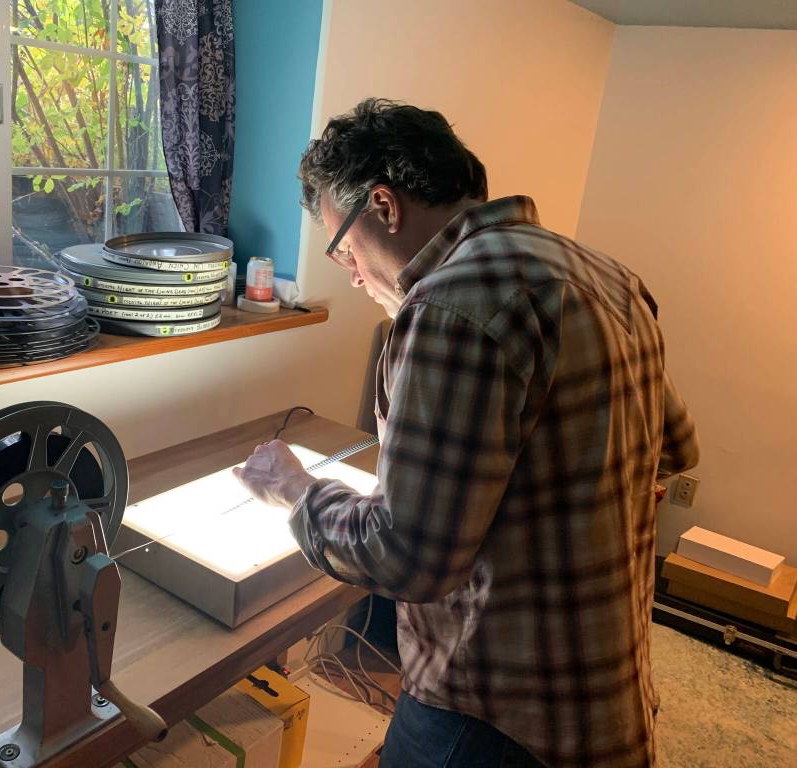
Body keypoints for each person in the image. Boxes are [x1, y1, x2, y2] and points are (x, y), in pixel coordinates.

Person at [233, 98, 700, 768]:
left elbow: (408, 558)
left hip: (496, 715)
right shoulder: (603, 273)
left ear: (384, 207)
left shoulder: (453, 306)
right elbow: (679, 446)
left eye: (344, 251)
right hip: (608, 688)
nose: (356, 276)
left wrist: (295, 489)